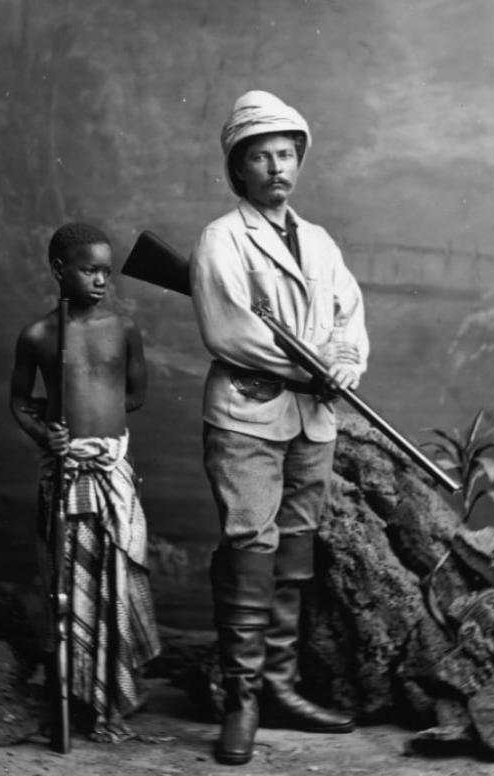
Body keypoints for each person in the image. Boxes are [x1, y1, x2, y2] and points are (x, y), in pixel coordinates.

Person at [190, 90, 368, 765]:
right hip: (248, 415)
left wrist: (345, 362)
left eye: (285, 155)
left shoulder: (320, 242)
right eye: (260, 157)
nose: (275, 168)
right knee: (249, 544)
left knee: (295, 549)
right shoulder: (221, 238)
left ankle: (281, 685)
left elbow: (348, 314)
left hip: (314, 418)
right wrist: (311, 368)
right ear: (239, 170)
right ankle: (241, 699)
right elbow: (230, 332)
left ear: (299, 162)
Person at [9, 222, 160, 742]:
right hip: (66, 471)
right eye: (89, 270)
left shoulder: (123, 328)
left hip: (109, 468)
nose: (100, 280)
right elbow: (19, 403)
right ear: (58, 269)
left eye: (106, 272)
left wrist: (102, 427)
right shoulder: (39, 336)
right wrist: (44, 434)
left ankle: (111, 693)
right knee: (70, 585)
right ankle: (72, 694)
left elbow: (135, 395)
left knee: (116, 576)